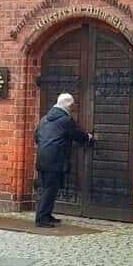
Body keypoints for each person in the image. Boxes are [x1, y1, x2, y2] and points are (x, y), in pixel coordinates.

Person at [34, 93, 93, 228]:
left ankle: (46, 214)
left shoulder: (44, 119)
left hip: (43, 158)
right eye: (71, 105)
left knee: (48, 188)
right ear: (67, 105)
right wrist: (88, 137)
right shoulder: (66, 120)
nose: (72, 108)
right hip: (55, 159)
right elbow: (76, 134)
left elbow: (37, 137)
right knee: (50, 189)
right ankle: (41, 219)